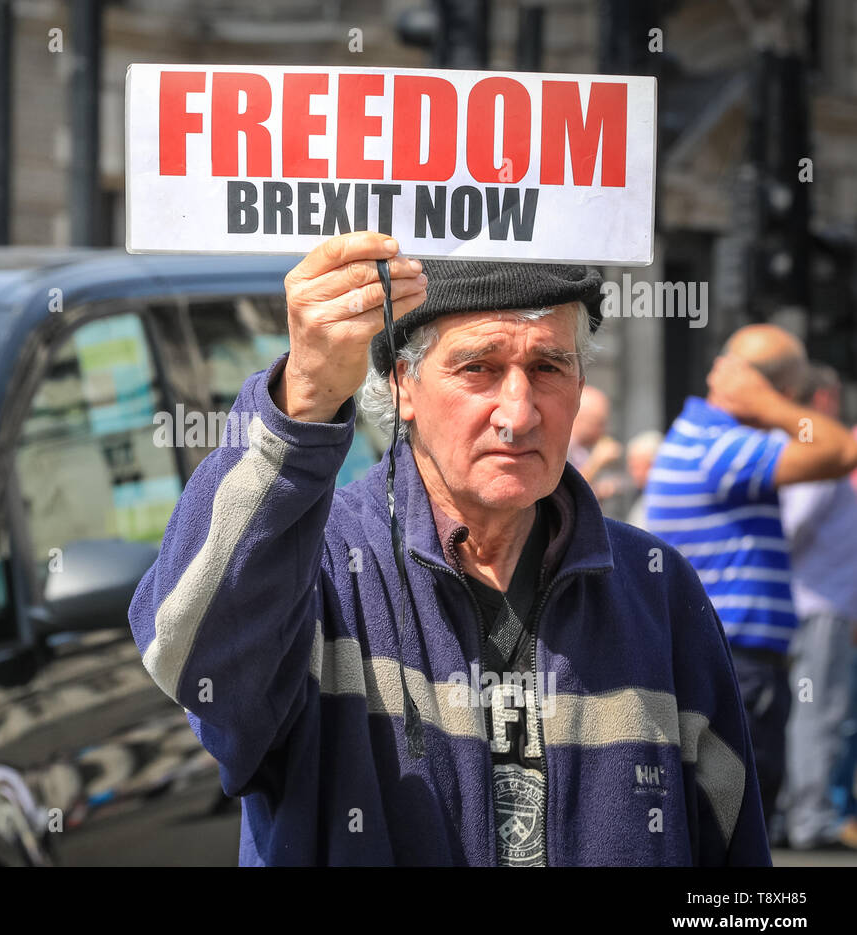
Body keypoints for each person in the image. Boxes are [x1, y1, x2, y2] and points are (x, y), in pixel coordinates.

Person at [129, 232, 771, 865]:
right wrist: (303, 399)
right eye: (478, 368)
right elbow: (188, 658)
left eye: (548, 367)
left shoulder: (656, 590)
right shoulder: (318, 571)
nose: (517, 413)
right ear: (403, 387)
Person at [647, 326, 857, 831]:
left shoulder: (704, 439)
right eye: (793, 395)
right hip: (736, 657)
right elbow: (839, 448)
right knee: (735, 826)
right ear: (777, 391)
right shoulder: (722, 448)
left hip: (725, 653)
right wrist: (773, 408)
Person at [777, 364, 857, 850]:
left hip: (823, 603)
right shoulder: (819, 454)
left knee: (815, 710)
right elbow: (793, 527)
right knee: (816, 712)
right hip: (818, 605)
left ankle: (801, 813)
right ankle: (811, 816)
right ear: (823, 401)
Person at [568, 385, 626, 518]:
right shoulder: (560, 447)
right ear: (580, 418)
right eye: (599, 423)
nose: (604, 429)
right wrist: (597, 461)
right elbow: (569, 489)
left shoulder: (585, 450)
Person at [622, 429, 664, 530]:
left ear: (653, 465)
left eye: (636, 467)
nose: (632, 473)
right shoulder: (643, 495)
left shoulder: (661, 501)